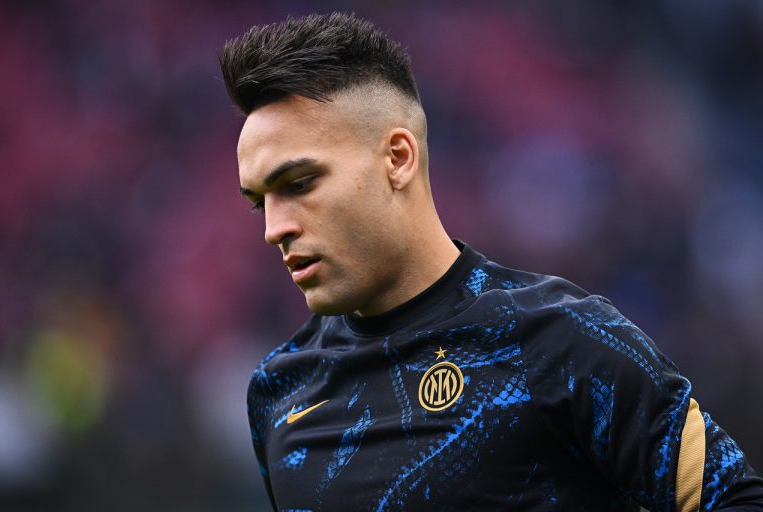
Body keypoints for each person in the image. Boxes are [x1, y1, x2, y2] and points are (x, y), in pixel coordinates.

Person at [219, 12, 763, 512]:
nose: (274, 228)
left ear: (398, 159)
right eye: (260, 201)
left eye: (300, 183)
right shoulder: (279, 390)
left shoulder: (561, 339)